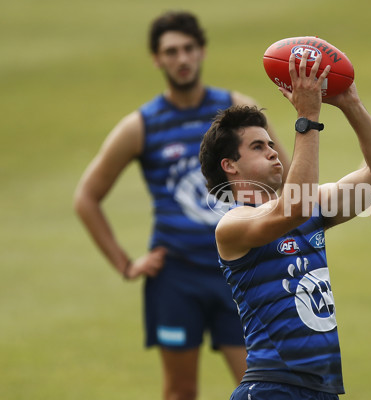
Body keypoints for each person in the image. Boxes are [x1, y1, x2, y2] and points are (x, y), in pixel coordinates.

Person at [73, 11, 290, 400]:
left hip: (239, 272)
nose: (182, 58)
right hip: (175, 279)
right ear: (157, 59)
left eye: (189, 48)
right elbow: (86, 198)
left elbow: (287, 179)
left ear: (202, 51)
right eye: (171, 51)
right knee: (179, 391)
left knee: (261, 386)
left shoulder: (237, 110)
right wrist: (126, 263)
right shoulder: (142, 125)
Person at [198, 50, 371, 399]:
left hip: (321, 391)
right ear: (230, 165)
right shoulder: (233, 226)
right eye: (258, 147)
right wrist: (307, 116)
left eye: (272, 145)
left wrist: (350, 104)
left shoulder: (308, 210)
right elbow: (294, 209)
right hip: (272, 389)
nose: (274, 152)